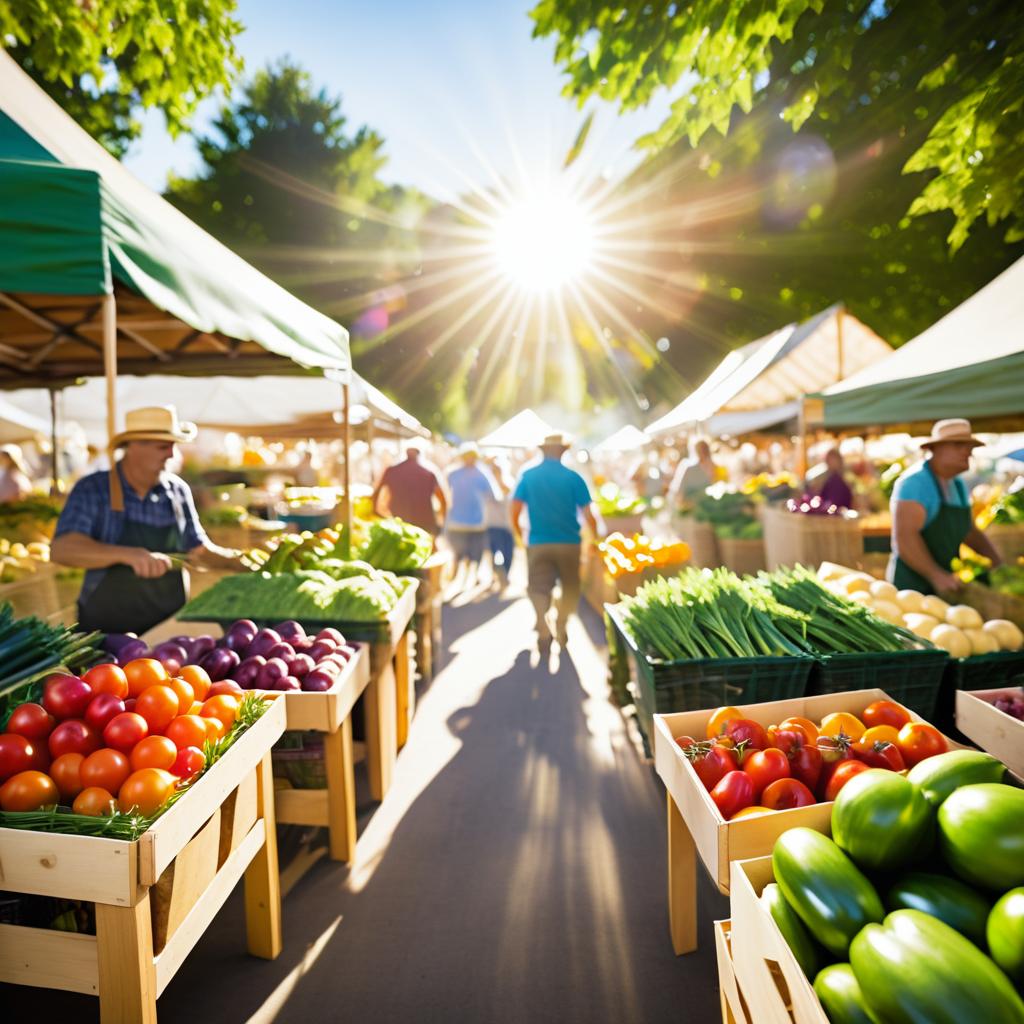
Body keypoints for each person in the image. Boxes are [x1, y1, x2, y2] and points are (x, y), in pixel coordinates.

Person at [51, 406, 242, 635]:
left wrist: (237, 559)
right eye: (163, 446)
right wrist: (128, 554)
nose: (171, 454)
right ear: (134, 447)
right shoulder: (93, 489)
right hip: (107, 633)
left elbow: (198, 550)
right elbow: (63, 549)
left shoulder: (178, 490)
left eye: (173, 446)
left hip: (169, 629)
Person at [889, 418, 1001, 595]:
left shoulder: (957, 484)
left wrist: (997, 562)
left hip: (946, 587)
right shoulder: (914, 483)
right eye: (959, 445)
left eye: (970, 447)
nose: (968, 452)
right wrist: (936, 576)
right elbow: (905, 539)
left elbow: (968, 531)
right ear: (935, 448)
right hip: (913, 590)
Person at [511, 432, 599, 651]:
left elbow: (514, 510)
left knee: (538, 587)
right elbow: (589, 515)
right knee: (571, 586)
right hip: (569, 542)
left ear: (543, 450)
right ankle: (561, 623)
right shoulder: (573, 477)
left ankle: (543, 626)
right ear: (563, 451)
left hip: (538, 541)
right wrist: (594, 540)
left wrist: (519, 535)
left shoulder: (528, 476)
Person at [371, 442, 447, 536]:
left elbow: (376, 492)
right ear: (419, 455)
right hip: (424, 520)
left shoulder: (391, 471)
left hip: (398, 518)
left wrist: (375, 511)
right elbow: (442, 498)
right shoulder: (428, 473)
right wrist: (442, 519)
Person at [446, 444, 498, 574]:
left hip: (476, 521)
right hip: (457, 521)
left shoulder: (482, 474)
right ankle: (458, 573)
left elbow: (492, 496)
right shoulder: (453, 473)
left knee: (475, 554)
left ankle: (472, 574)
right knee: (458, 552)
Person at [484, 456, 515, 587]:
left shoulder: (509, 483)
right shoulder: (487, 484)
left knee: (501, 553)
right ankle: (500, 574)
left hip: (503, 524)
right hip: (497, 524)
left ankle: (501, 574)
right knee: (500, 552)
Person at [669, 438, 718, 507]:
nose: (704, 452)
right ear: (697, 451)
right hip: (692, 505)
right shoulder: (690, 469)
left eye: (705, 449)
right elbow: (680, 490)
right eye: (701, 449)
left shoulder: (715, 466)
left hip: (710, 504)